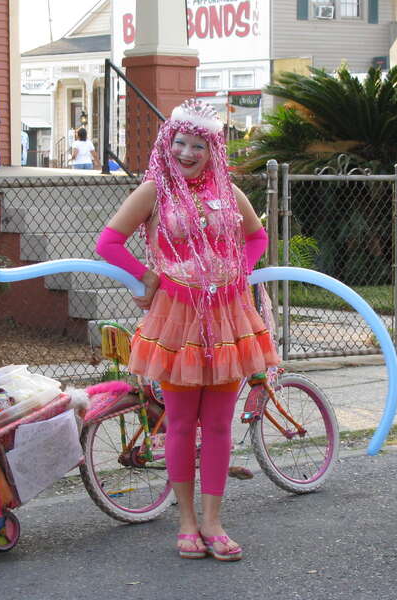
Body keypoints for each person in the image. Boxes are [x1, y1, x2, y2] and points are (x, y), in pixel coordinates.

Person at [95, 99, 278, 561]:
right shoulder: (154, 191)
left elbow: (256, 237)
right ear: (167, 143)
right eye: (180, 142)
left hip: (228, 317)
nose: (188, 152)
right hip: (176, 318)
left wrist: (242, 270)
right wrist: (146, 275)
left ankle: (214, 523)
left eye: (199, 144)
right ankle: (187, 523)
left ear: (212, 148)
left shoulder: (229, 191)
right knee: (179, 424)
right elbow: (108, 242)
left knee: (217, 426)